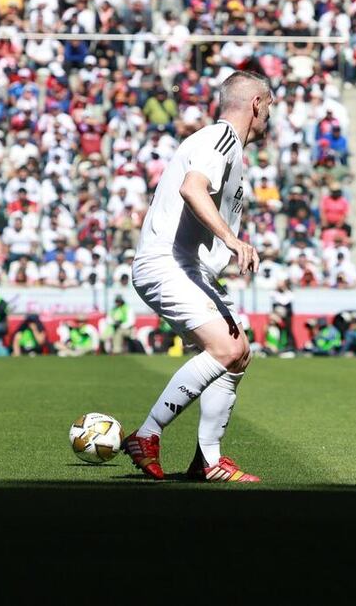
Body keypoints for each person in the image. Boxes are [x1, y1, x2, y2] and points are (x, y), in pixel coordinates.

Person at [122, 71, 272, 483]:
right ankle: (147, 435)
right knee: (225, 347)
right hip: (168, 263)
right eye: (269, 107)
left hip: (192, 267)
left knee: (238, 352)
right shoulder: (218, 139)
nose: (269, 118)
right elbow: (193, 188)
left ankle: (207, 460)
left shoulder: (227, 148)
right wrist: (233, 240)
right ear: (257, 104)